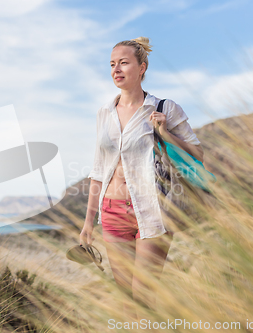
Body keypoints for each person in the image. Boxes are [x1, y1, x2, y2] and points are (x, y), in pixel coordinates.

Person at [79, 37, 204, 318]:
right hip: (111, 212)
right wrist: (88, 223)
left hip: (153, 211)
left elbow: (198, 154)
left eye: (124, 62)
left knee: (144, 297)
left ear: (142, 67)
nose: (116, 69)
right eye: (112, 64)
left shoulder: (164, 108)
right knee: (127, 303)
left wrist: (165, 134)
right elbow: (98, 171)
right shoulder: (104, 113)